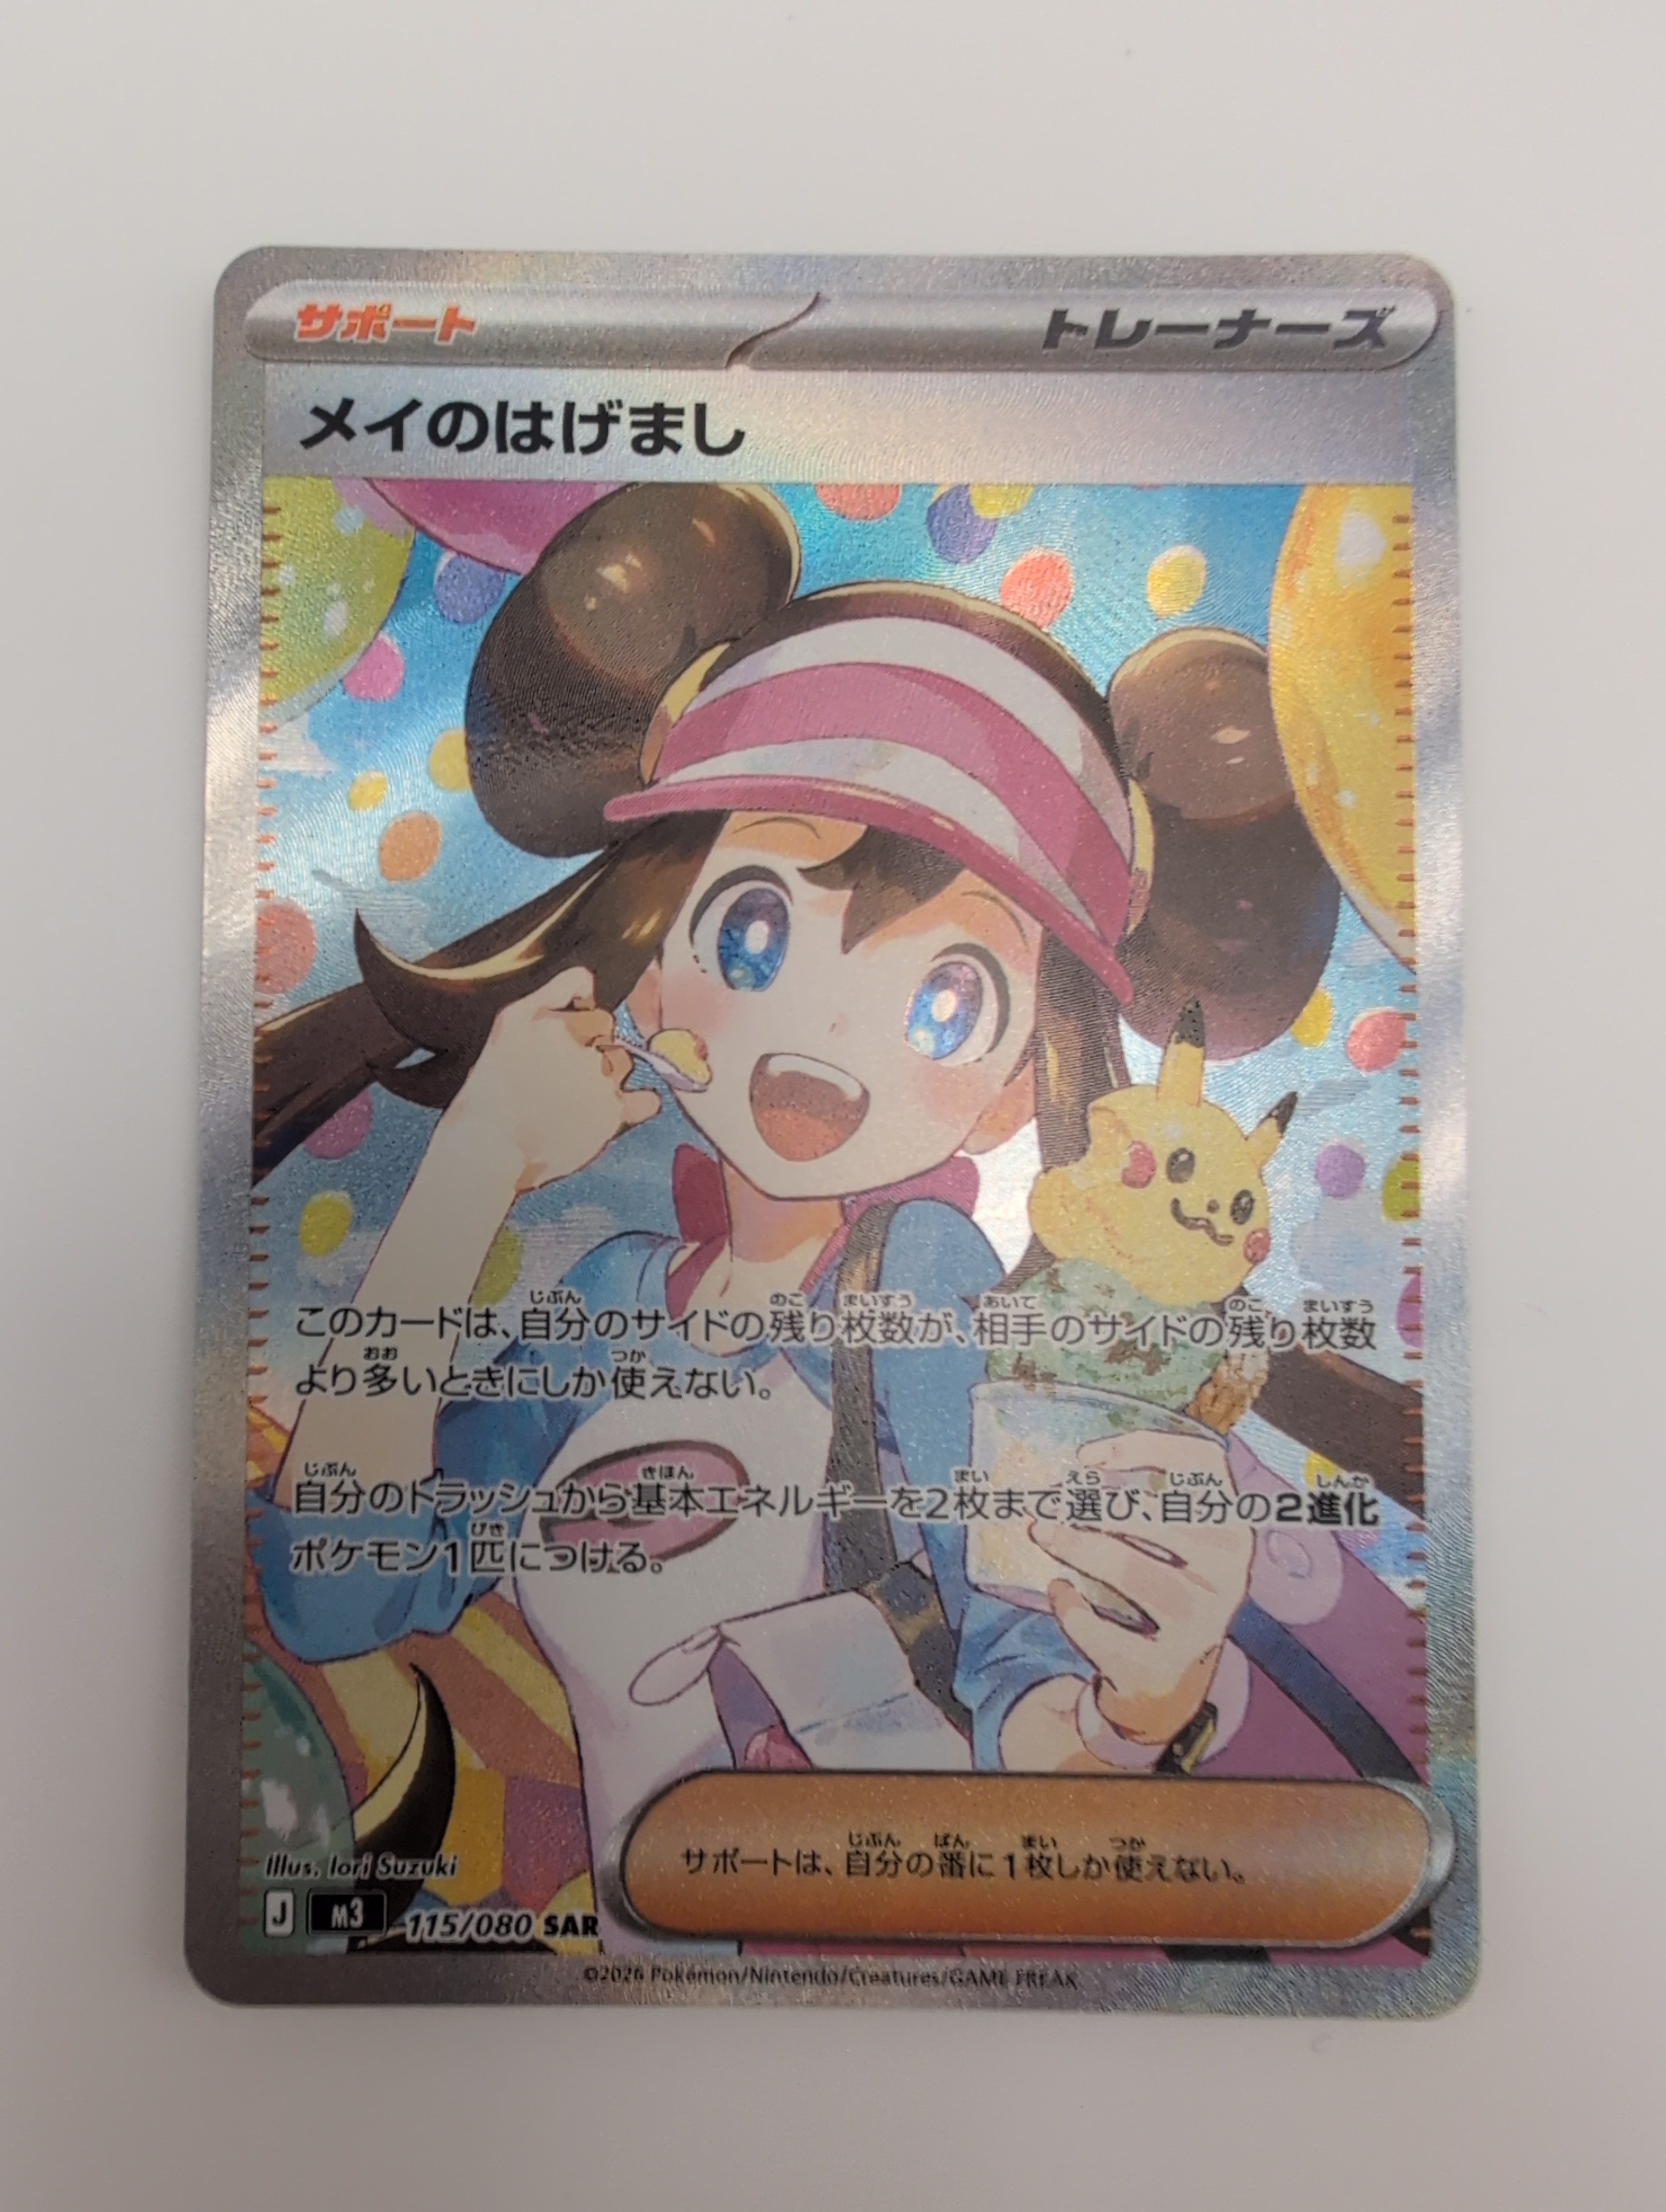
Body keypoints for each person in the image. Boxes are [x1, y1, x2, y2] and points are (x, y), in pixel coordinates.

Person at [252, 581, 1419, 1952]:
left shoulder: (917, 1277)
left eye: (948, 998)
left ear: (1006, 1087)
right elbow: (336, 1588)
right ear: (651, 963)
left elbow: (1022, 1684)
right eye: (754, 929)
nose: (829, 1034)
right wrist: (471, 1169)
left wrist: (1136, 1709)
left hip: (889, 1974)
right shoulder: (610, 1303)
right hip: (641, 2010)